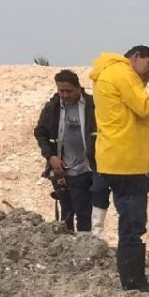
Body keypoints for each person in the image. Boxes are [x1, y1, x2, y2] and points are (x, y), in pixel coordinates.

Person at [90, 45, 149, 292]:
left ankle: (133, 280)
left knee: (131, 224)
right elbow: (145, 107)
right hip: (127, 164)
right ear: (135, 57)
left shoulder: (113, 73)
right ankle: (133, 283)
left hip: (120, 160)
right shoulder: (122, 73)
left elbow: (136, 103)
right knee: (132, 225)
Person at [34, 70, 101, 234]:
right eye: (60, 91)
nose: (64, 95)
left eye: (68, 91)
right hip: (61, 171)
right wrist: (51, 157)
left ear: (79, 88)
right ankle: (68, 249)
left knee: (85, 214)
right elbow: (41, 133)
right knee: (66, 216)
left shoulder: (93, 106)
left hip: (88, 170)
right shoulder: (53, 107)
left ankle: (84, 249)